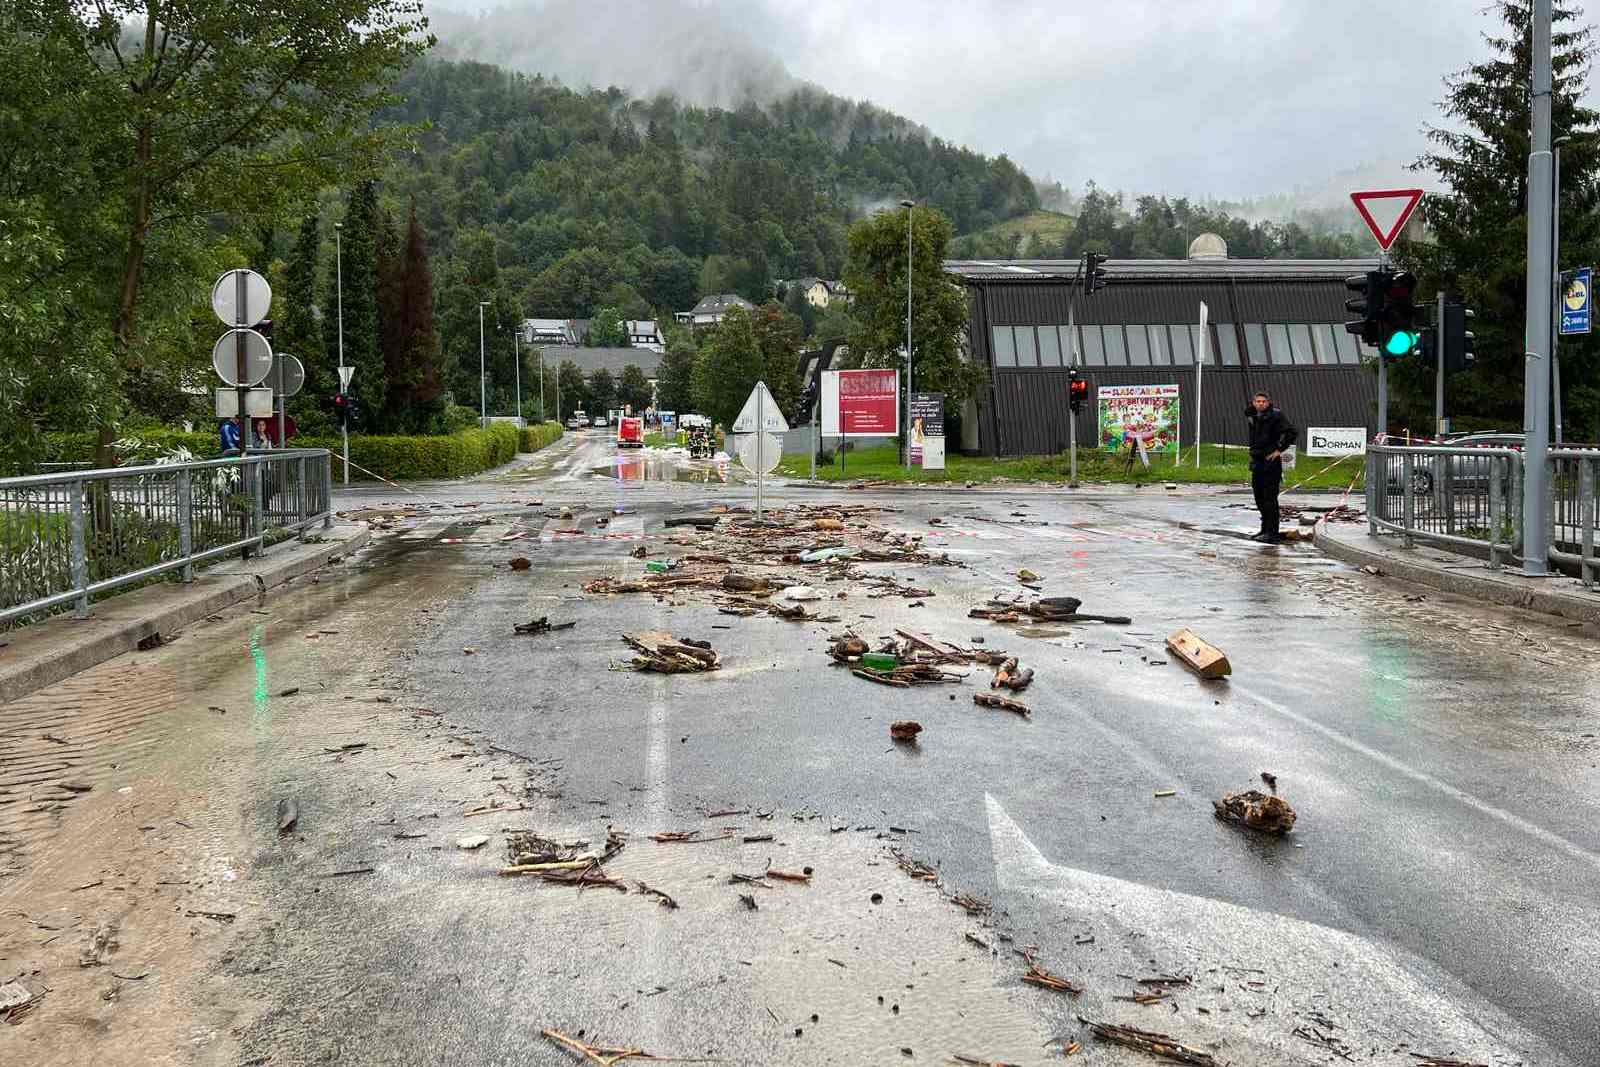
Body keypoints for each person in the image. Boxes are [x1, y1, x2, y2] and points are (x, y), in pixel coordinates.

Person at [1245, 391, 1296, 543]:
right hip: (1257, 460)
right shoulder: (1253, 416)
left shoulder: (1275, 415)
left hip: (1270, 461)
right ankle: (1264, 528)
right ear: (1253, 403)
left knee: (1270, 498)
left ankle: (1272, 532)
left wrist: (1279, 449)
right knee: (1259, 496)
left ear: (1268, 403)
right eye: (1257, 401)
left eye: (1263, 401)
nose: (1260, 404)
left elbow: (1291, 432)